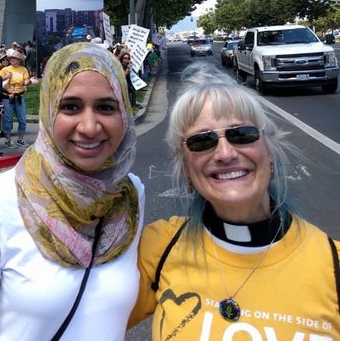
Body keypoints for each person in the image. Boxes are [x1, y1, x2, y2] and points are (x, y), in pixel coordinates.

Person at [0, 42, 144, 339]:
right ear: (49, 109)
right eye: (70, 106)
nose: (89, 126)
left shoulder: (131, 195)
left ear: (124, 113)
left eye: (105, 106)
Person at [128, 64, 340, 339]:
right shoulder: (158, 247)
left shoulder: (332, 264)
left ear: (270, 153)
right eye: (202, 142)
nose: (225, 154)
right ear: (186, 169)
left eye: (242, 134)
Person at [0, 48, 34, 149]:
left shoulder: (23, 69)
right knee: (8, 119)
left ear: (19, 60)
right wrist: (6, 77)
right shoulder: (5, 69)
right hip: (7, 97)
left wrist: (30, 81)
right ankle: (8, 140)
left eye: (15, 58)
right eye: (11, 58)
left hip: (19, 97)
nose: (12, 59)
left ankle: (20, 139)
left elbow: (25, 82)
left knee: (22, 119)